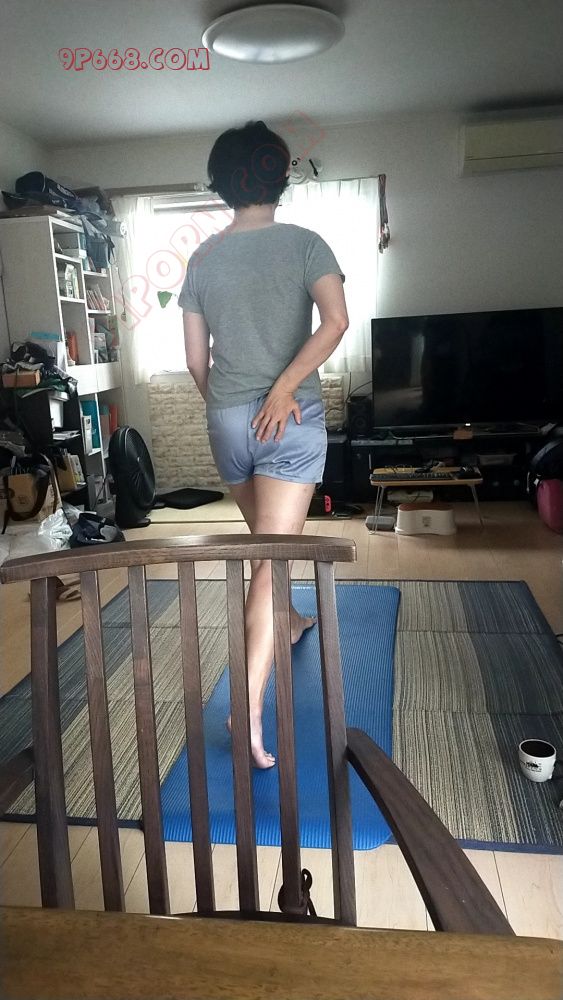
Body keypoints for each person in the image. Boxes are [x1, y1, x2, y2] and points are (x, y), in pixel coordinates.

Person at [179, 120, 348, 768]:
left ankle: (292, 620)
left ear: (220, 184)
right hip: (288, 420)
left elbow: (196, 362)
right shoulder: (306, 243)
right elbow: (336, 322)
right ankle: (247, 705)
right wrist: (282, 389)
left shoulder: (202, 258)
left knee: (265, 553)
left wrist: (230, 408)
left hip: (226, 420)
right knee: (271, 560)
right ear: (280, 178)